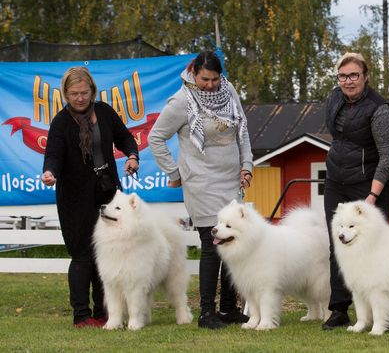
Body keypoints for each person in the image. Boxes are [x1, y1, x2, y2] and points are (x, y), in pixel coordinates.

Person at [148, 51, 252, 329]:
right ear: (194, 73)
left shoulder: (229, 92)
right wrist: (174, 172)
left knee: (235, 241)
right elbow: (155, 137)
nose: (210, 85)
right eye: (205, 79)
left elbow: (242, 130)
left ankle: (230, 308)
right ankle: (207, 312)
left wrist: (247, 165)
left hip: (231, 180)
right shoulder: (181, 101)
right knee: (211, 244)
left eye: (215, 79)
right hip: (201, 183)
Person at [42, 66, 139, 328]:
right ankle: (82, 315)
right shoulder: (61, 122)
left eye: (84, 92)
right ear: (65, 93)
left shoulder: (105, 112)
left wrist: (132, 156)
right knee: (82, 255)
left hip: (108, 194)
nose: (80, 98)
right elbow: (53, 154)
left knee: (106, 254)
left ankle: (104, 312)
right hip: (74, 198)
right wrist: (49, 172)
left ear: (92, 90)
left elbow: (126, 138)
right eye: (74, 93)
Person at [321, 52, 389, 330]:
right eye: (343, 76)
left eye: (354, 75)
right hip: (335, 181)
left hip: (369, 185)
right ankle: (339, 309)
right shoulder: (334, 99)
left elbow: (388, 154)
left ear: (365, 76)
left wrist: (373, 195)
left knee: (376, 251)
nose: (348, 81)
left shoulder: (379, 109)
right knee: (337, 245)